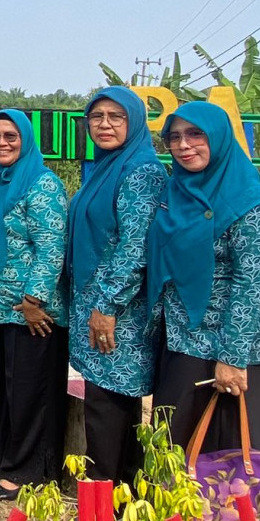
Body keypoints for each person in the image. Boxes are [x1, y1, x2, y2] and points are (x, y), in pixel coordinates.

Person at [148, 102, 260, 453]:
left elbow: (250, 286)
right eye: (174, 137)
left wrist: (233, 358)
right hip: (179, 338)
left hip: (224, 347)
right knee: (170, 445)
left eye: (196, 134)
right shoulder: (176, 194)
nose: (183, 145)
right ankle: (170, 511)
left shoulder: (252, 205)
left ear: (220, 138)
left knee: (228, 455)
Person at [66, 87, 167, 482]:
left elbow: (136, 245)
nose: (104, 124)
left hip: (119, 314)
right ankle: (114, 508)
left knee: (110, 413)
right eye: (97, 116)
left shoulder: (140, 171)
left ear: (135, 122)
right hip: (98, 307)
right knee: (106, 410)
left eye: (116, 116)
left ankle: (110, 511)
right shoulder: (106, 167)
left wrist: (107, 306)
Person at [0, 109, 69, 501]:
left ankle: (29, 471)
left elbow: (51, 246)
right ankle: (5, 460)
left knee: (31, 390)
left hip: (32, 312)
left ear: (26, 139)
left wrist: (34, 300)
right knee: (0, 388)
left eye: (10, 136)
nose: (1, 143)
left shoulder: (42, 184)